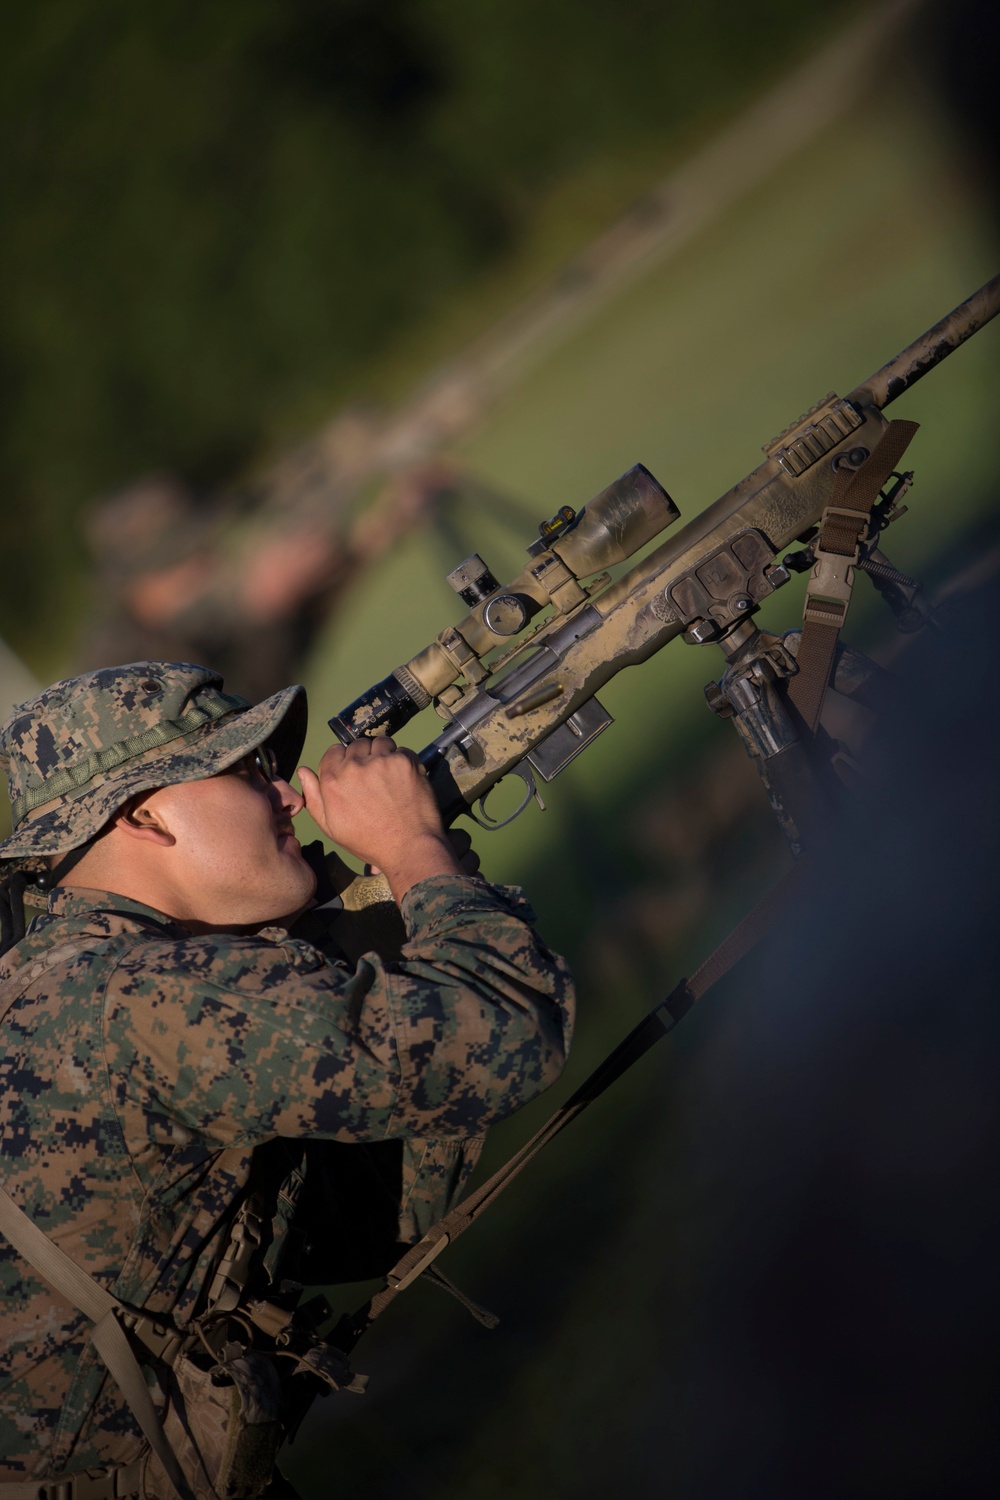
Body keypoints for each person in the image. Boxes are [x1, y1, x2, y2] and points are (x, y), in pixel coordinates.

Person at [0, 660, 575, 1499]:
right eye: (246, 772)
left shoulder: (55, 979)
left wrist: (381, 925)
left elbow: (359, 1217)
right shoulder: (150, 995)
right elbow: (505, 1031)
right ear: (145, 815)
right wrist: (417, 853)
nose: (290, 797)